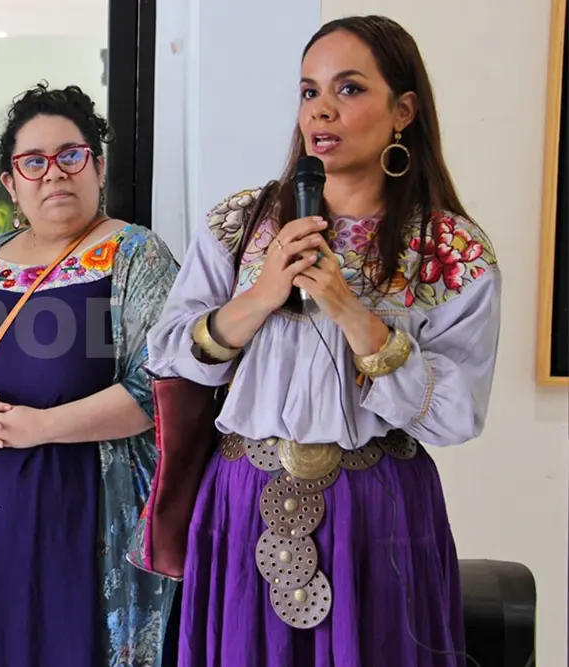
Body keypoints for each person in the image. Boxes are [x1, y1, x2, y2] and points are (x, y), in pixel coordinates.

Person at [148, 15, 500, 666]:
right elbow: (166, 351)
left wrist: (354, 315)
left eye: (348, 89)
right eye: (309, 92)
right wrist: (256, 299)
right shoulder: (240, 222)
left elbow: (457, 413)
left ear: (403, 110)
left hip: (377, 506)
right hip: (241, 493)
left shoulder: (451, 252)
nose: (322, 111)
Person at [0, 82, 179, 667]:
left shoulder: (134, 255)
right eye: (33, 162)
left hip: (73, 507)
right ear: (11, 182)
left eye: (70, 155)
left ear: (97, 166)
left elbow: (159, 388)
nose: (54, 174)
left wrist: (40, 426)